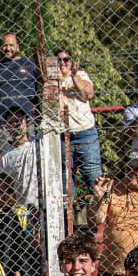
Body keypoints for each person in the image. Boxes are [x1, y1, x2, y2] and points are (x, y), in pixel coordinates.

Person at [53, 48, 102, 191]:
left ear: (71, 62)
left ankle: (100, 203)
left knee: (93, 176)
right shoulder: (51, 80)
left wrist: (73, 76)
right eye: (59, 60)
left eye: (66, 59)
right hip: (63, 135)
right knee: (66, 179)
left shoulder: (81, 75)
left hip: (85, 132)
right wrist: (56, 81)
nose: (62, 63)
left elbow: (88, 94)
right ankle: (69, 205)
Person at [0, 32, 39, 123]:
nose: (8, 49)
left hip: (26, 120)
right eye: (5, 45)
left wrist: (36, 105)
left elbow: (41, 87)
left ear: (18, 47)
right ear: (0, 47)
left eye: (11, 45)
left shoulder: (30, 64)